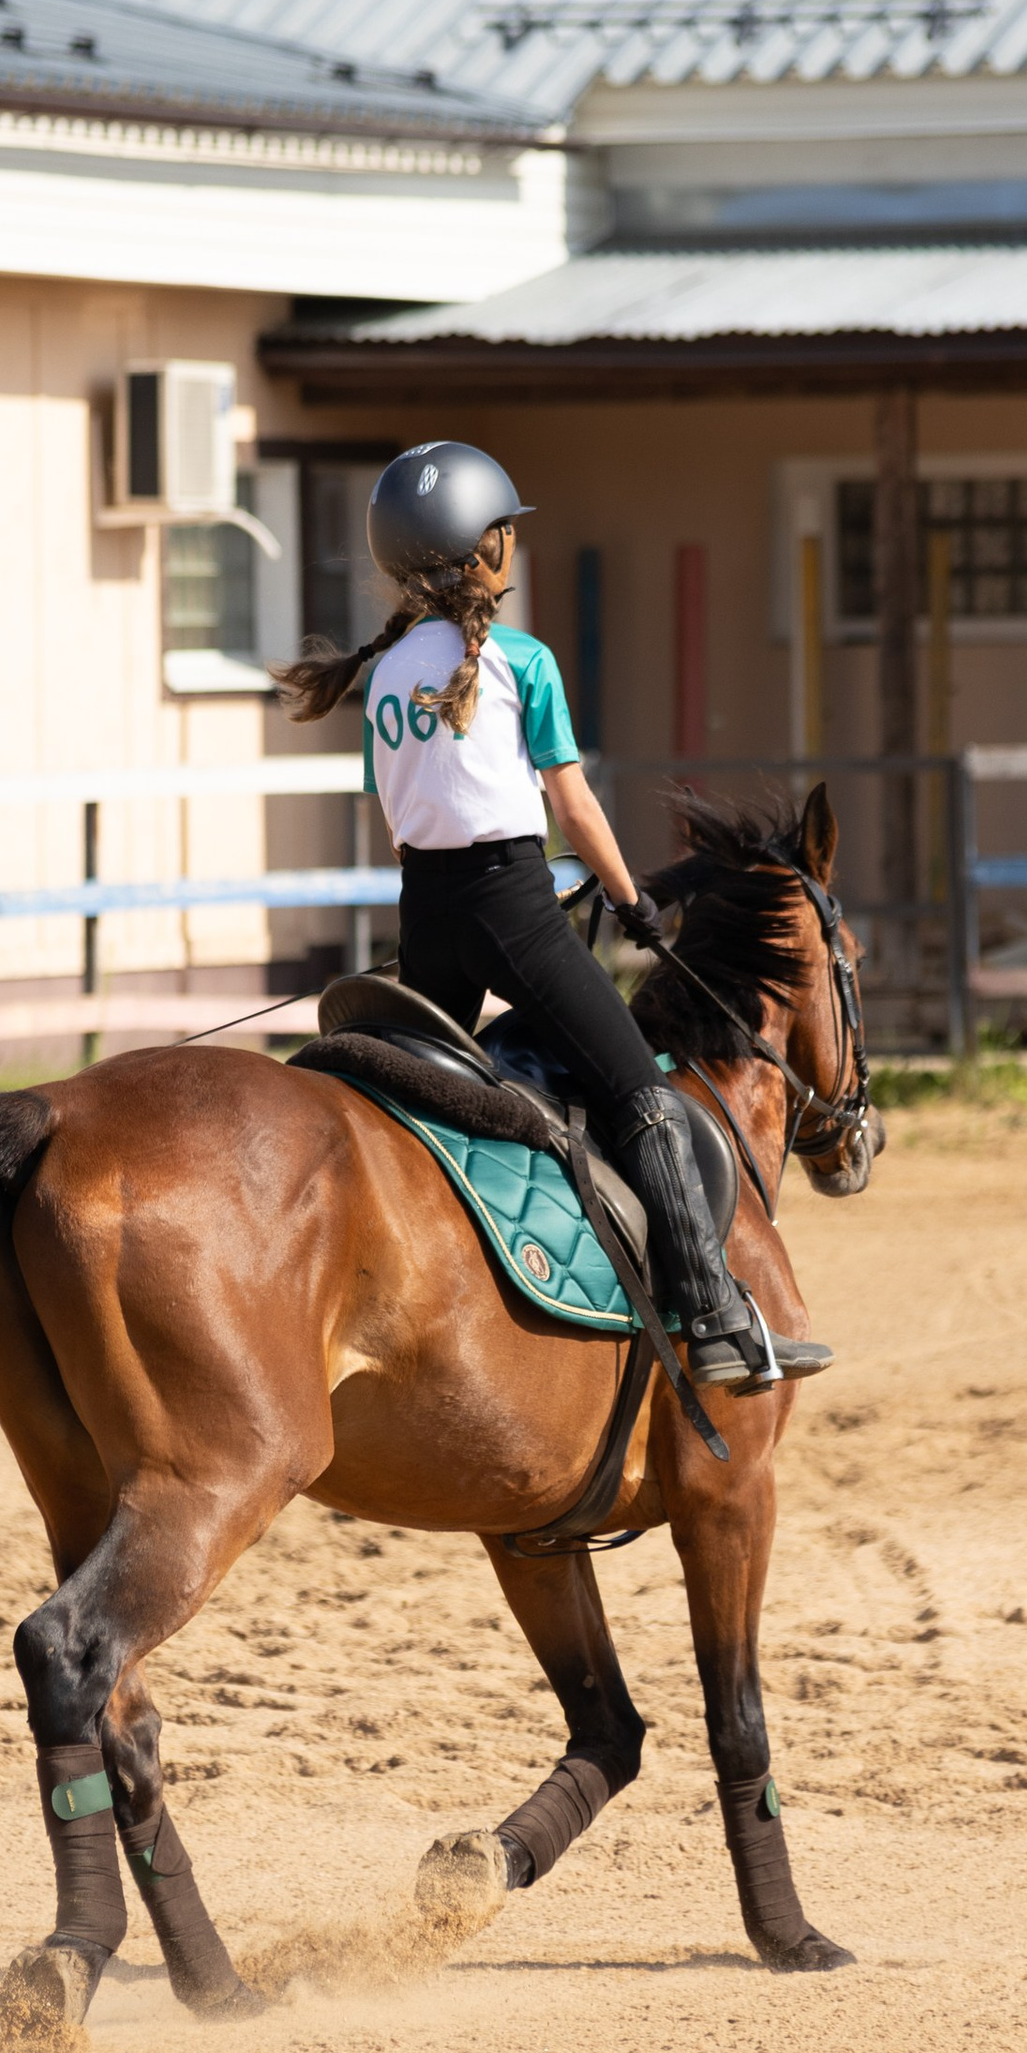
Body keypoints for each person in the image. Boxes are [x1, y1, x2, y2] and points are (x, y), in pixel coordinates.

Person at [274, 438, 770, 1385]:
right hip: (514, 910)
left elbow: (401, 827)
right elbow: (574, 808)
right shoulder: (523, 660)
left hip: (427, 918)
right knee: (640, 1090)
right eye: (505, 531)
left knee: (408, 1104)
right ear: (483, 549)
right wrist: (631, 901)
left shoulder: (382, 677)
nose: (513, 545)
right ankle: (710, 1316)